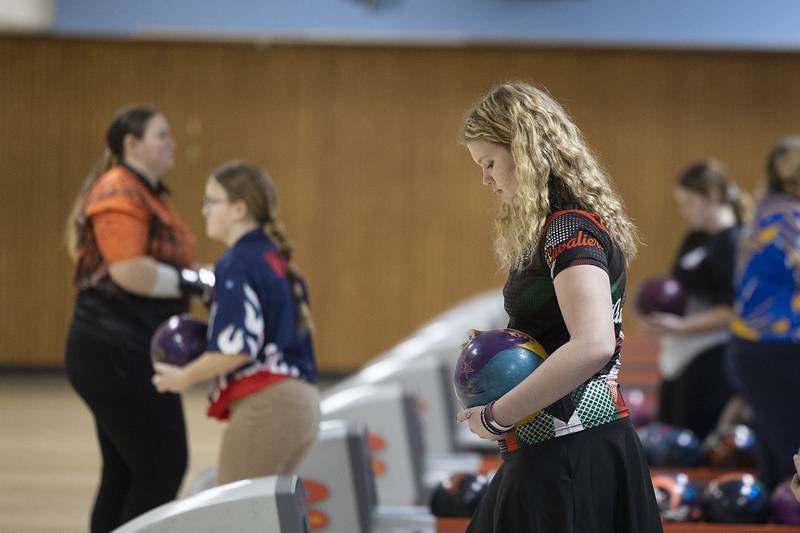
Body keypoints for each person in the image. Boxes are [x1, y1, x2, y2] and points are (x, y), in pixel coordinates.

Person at [455, 81, 662, 533]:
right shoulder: (558, 227)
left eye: (489, 162)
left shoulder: (568, 229)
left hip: (572, 451)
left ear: (524, 152)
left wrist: (496, 417)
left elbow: (591, 344)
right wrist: (503, 344)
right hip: (559, 447)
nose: (485, 178)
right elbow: (561, 335)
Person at [64, 105, 211, 532]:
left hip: (122, 349)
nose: (172, 143)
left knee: (127, 470)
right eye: (162, 135)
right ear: (132, 144)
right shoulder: (119, 191)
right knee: (162, 468)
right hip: (114, 352)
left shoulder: (143, 191)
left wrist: (195, 279)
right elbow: (129, 271)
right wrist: (193, 284)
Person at [152, 161, 320, 485]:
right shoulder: (271, 257)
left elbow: (237, 349)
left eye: (211, 201)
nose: (203, 210)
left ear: (239, 209)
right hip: (301, 405)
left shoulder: (236, 263)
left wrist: (182, 378)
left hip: (269, 407)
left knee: (236, 517)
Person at [638, 160, 744, 440]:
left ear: (713, 195)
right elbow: (675, 290)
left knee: (694, 439)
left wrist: (680, 327)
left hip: (713, 353)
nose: (684, 212)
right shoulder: (694, 238)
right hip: (679, 352)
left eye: (689, 203)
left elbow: (732, 310)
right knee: (669, 432)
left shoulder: (735, 242)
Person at [726, 136, 800, 490]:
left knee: (777, 461)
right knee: (792, 462)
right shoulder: (792, 221)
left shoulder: (764, 211)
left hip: (753, 349)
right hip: (780, 348)